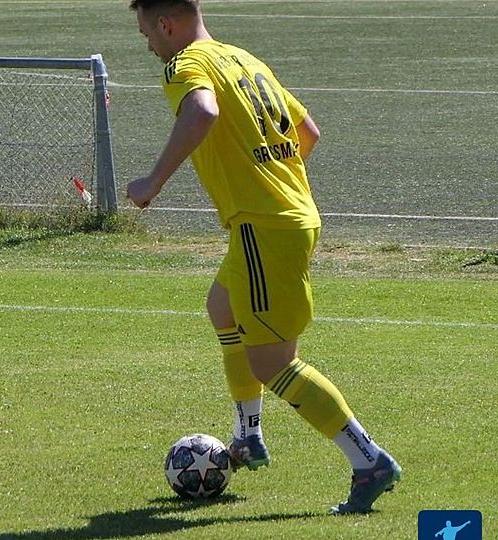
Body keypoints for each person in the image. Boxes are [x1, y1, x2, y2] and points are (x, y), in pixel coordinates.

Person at [127, 0, 401, 514]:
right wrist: (277, 184)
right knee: (223, 306)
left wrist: (153, 182)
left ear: (166, 24)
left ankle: (369, 462)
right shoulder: (243, 59)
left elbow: (203, 110)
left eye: (145, 31)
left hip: (264, 225)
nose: (146, 43)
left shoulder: (185, 64)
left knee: (273, 361)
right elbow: (308, 133)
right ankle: (248, 436)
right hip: (287, 217)